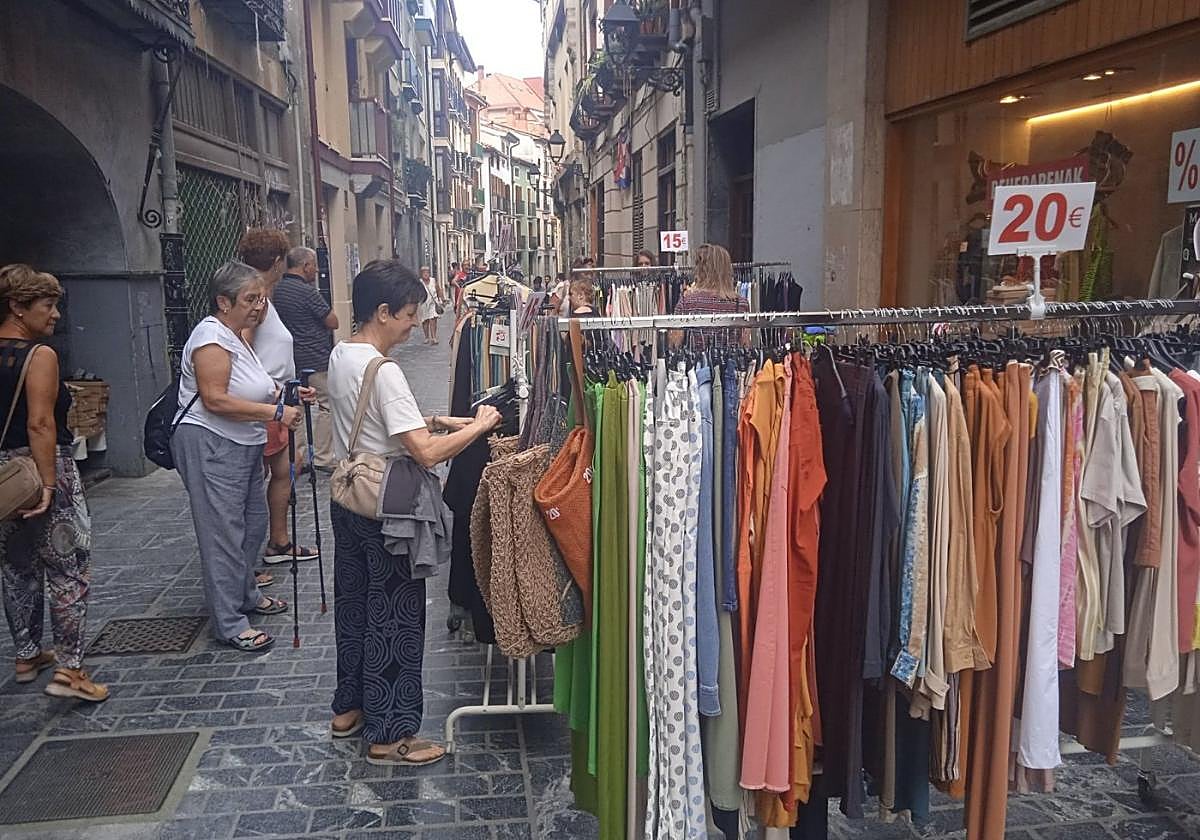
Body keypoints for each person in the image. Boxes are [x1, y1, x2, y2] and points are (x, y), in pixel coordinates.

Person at [327, 259, 501, 764]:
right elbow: (424, 453)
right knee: (396, 618)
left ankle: (349, 709)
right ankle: (390, 735)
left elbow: (371, 420)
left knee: (356, 609)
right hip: (390, 508)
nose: (412, 324)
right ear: (383, 312)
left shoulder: (342, 354)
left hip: (351, 497)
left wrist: (438, 420)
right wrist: (478, 426)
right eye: (407, 315)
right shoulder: (386, 371)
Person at [172, 261, 313, 652]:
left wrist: (288, 394)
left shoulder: (235, 335)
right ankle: (229, 621)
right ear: (224, 301)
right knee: (222, 534)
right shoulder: (210, 338)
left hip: (242, 443)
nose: (259, 306)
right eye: (251, 299)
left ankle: (247, 594)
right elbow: (215, 400)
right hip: (212, 444)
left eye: (261, 298)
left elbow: (253, 385)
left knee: (252, 524)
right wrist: (275, 413)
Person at [0, 265, 106, 702]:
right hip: (43, 468)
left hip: (3, 476)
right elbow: (40, 423)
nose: (56, 314)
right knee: (68, 567)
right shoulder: (38, 356)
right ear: (17, 307)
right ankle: (70, 669)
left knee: (16, 565)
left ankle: (27, 656)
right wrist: (48, 485)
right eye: (48, 305)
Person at [236, 229, 319, 569]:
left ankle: (278, 541)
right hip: (266, 402)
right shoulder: (255, 301)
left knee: (286, 467)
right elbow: (241, 347)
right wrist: (270, 389)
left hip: (278, 397)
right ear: (276, 262)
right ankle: (247, 563)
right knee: (258, 478)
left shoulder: (264, 297)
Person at [272, 246, 338, 471]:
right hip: (315, 357)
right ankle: (322, 456)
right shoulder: (308, 292)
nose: (316, 270)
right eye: (314, 265)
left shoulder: (278, 291)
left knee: (296, 406)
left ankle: (297, 456)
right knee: (328, 404)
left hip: (291, 359)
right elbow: (333, 321)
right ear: (305, 266)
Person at [668, 243, 750, 348]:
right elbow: (745, 344)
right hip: (731, 357)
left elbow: (675, 342)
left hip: (695, 357)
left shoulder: (687, 301)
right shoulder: (741, 303)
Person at [417, 265, 442, 345]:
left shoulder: (433, 281)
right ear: (421, 274)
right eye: (424, 272)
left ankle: (434, 338)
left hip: (433, 303)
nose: (426, 274)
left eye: (427, 272)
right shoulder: (420, 282)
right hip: (424, 303)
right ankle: (427, 337)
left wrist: (441, 299)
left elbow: (438, 290)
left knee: (433, 319)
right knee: (425, 321)